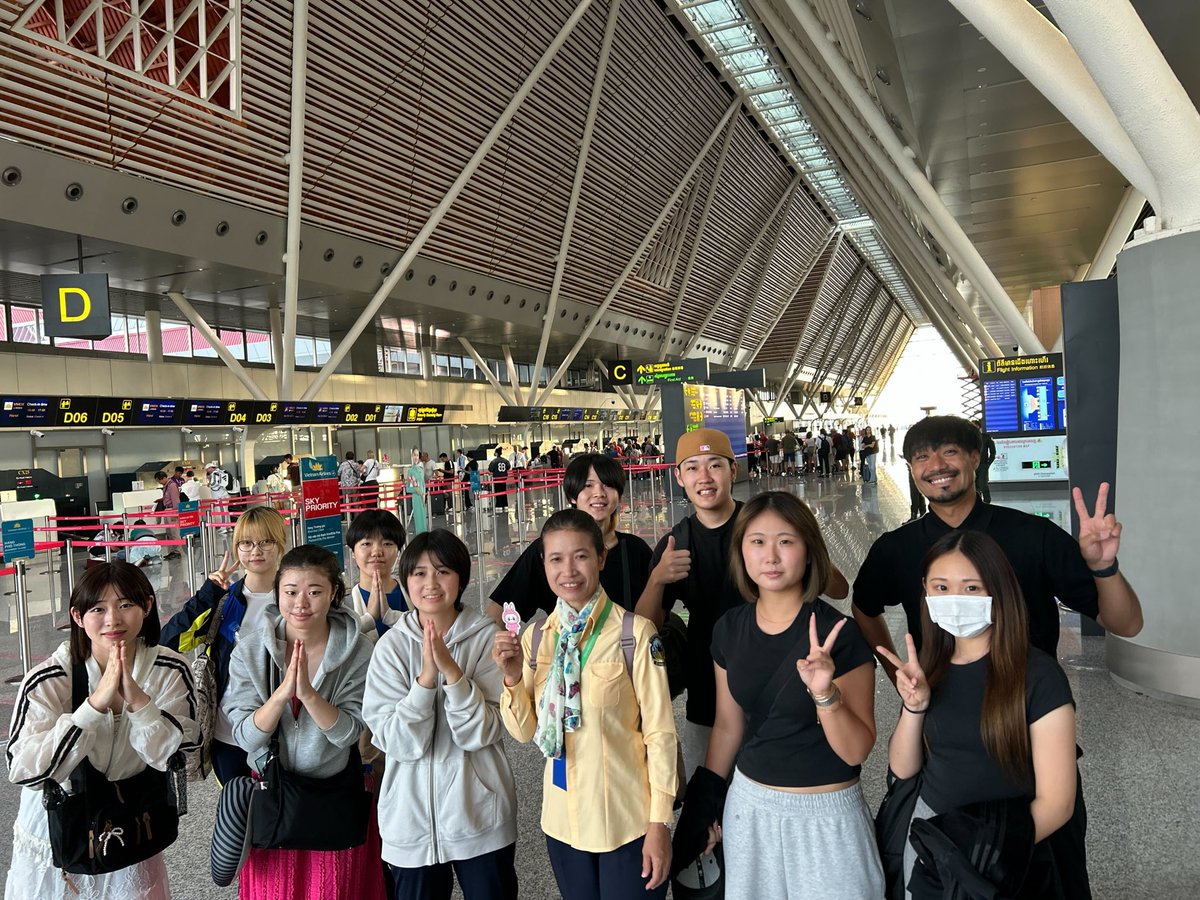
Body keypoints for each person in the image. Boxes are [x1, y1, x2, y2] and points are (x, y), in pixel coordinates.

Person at [852, 415, 1142, 900]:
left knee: (1053, 873)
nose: (936, 466)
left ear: (976, 458)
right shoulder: (897, 548)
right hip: (943, 741)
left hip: (1029, 732)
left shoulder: (1032, 536)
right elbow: (864, 607)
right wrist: (900, 677)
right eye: (921, 455)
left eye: (949, 452)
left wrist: (1103, 567)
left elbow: (1125, 624)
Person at [675, 491, 882, 898]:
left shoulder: (840, 636)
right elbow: (728, 726)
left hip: (827, 815)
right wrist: (707, 804)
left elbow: (857, 751)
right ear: (742, 553)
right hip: (749, 808)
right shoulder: (729, 630)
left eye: (785, 541)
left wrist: (826, 696)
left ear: (809, 551)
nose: (770, 556)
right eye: (757, 542)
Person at [636, 428, 853, 779]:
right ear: (678, 477)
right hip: (710, 693)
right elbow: (642, 629)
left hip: (787, 685)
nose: (704, 478)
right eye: (691, 468)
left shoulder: (763, 525)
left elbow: (839, 590)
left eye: (714, 465)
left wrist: (801, 548)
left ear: (733, 470)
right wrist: (657, 578)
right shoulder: (677, 543)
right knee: (710, 799)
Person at [877, 530, 1078, 897]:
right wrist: (913, 707)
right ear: (924, 589)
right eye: (941, 587)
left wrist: (977, 851)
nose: (954, 600)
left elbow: (1058, 802)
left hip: (1004, 849)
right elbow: (903, 770)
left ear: (998, 591)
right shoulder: (930, 667)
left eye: (971, 588)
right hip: (931, 840)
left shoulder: (1038, 676)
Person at [493, 509, 677, 899]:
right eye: (556, 559)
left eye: (581, 556)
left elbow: (660, 733)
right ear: (543, 564)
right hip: (563, 823)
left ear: (601, 559)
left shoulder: (634, 635)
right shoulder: (538, 639)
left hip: (627, 823)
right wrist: (511, 677)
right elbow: (526, 732)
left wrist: (660, 824)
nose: (569, 570)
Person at [5, 561, 199, 900]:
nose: (113, 619)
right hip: (61, 832)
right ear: (78, 617)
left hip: (131, 823)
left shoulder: (169, 669)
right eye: (98, 608)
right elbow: (24, 770)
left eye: (126, 605)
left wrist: (140, 703)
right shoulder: (50, 678)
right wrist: (91, 710)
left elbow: (183, 759)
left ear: (147, 606)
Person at [222, 544, 382, 899]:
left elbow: (348, 734)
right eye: (290, 592)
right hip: (271, 798)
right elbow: (246, 737)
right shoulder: (250, 649)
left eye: (314, 592)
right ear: (277, 592)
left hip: (333, 797)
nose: (301, 604)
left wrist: (309, 694)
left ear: (334, 594)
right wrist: (281, 694)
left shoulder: (358, 651)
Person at [364, 530, 518, 899]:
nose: (430, 583)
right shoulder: (390, 649)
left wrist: (453, 674)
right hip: (410, 824)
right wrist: (425, 680)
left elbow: (482, 732)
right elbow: (400, 743)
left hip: (480, 817)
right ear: (405, 581)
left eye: (443, 571)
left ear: (462, 578)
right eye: (418, 573)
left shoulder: (486, 640)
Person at [161, 506, 288, 782]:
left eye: (266, 541)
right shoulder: (223, 601)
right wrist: (207, 595)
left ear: (280, 544)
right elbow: (168, 644)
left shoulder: (295, 597)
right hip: (228, 732)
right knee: (236, 813)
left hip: (287, 730)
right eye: (246, 542)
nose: (256, 550)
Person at [487, 453, 653, 624]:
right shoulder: (548, 549)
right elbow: (498, 611)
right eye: (588, 485)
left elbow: (655, 619)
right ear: (572, 496)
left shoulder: (635, 550)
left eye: (608, 485)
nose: (599, 493)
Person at [345, 508, 408, 641]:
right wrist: (369, 620)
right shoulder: (344, 606)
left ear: (398, 550)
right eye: (366, 543)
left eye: (387, 544)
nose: (377, 552)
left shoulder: (414, 595)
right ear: (353, 552)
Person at [976, 422, 997, 504]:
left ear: (979, 427)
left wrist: (988, 463)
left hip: (983, 464)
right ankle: (977, 502)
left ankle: (987, 501)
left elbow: (992, 451)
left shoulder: (986, 437)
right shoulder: (968, 438)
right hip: (972, 465)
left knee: (983, 483)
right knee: (974, 485)